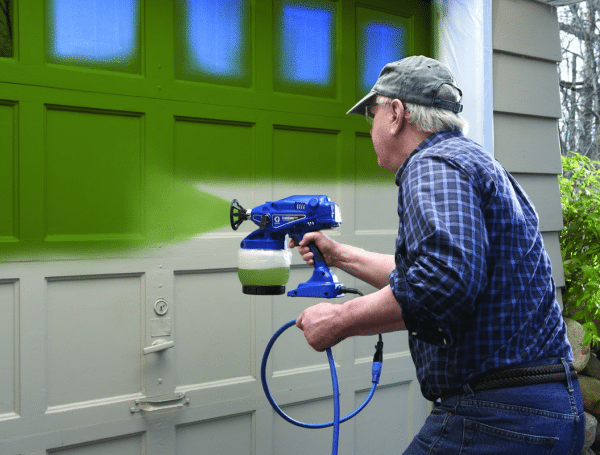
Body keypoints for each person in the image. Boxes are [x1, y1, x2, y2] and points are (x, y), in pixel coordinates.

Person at [289, 56, 585, 454]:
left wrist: (338, 321)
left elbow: (441, 283)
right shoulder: (472, 161)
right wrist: (340, 254)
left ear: (395, 113)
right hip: (540, 411)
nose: (370, 127)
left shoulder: (432, 164)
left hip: (497, 417)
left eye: (371, 114)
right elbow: (439, 272)